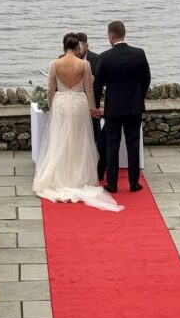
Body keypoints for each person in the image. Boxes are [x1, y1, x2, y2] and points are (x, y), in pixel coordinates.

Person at [32, 33, 121, 210]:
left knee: (60, 140)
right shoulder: (85, 64)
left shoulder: (55, 64)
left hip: (61, 103)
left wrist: (51, 106)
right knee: (80, 141)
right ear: (78, 48)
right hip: (79, 104)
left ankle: (60, 177)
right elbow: (89, 88)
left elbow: (51, 89)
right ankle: (79, 178)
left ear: (64, 47)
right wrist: (93, 108)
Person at [94, 21, 151, 195]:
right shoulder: (139, 54)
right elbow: (146, 79)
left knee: (113, 145)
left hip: (113, 109)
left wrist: (96, 105)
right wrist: (138, 97)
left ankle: (112, 183)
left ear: (111, 36)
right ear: (124, 34)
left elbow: (97, 85)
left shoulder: (105, 57)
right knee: (133, 145)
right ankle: (134, 183)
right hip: (134, 107)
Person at [75, 32, 106, 181]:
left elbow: (103, 82)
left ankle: (97, 167)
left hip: (92, 103)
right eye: (78, 46)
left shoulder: (97, 59)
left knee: (96, 135)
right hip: (75, 103)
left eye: (82, 45)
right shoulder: (67, 59)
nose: (80, 49)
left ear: (87, 44)